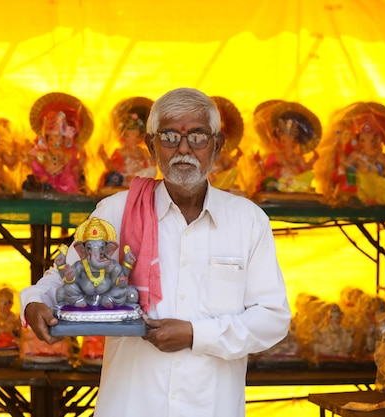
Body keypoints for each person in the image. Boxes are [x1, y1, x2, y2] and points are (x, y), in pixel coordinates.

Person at [21, 87, 291, 417]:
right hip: (130, 405)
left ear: (217, 146)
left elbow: (272, 318)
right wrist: (35, 303)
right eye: (169, 136)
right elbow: (62, 280)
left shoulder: (246, 220)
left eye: (197, 136)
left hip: (211, 406)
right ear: (151, 147)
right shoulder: (116, 212)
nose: (183, 149)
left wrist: (196, 335)